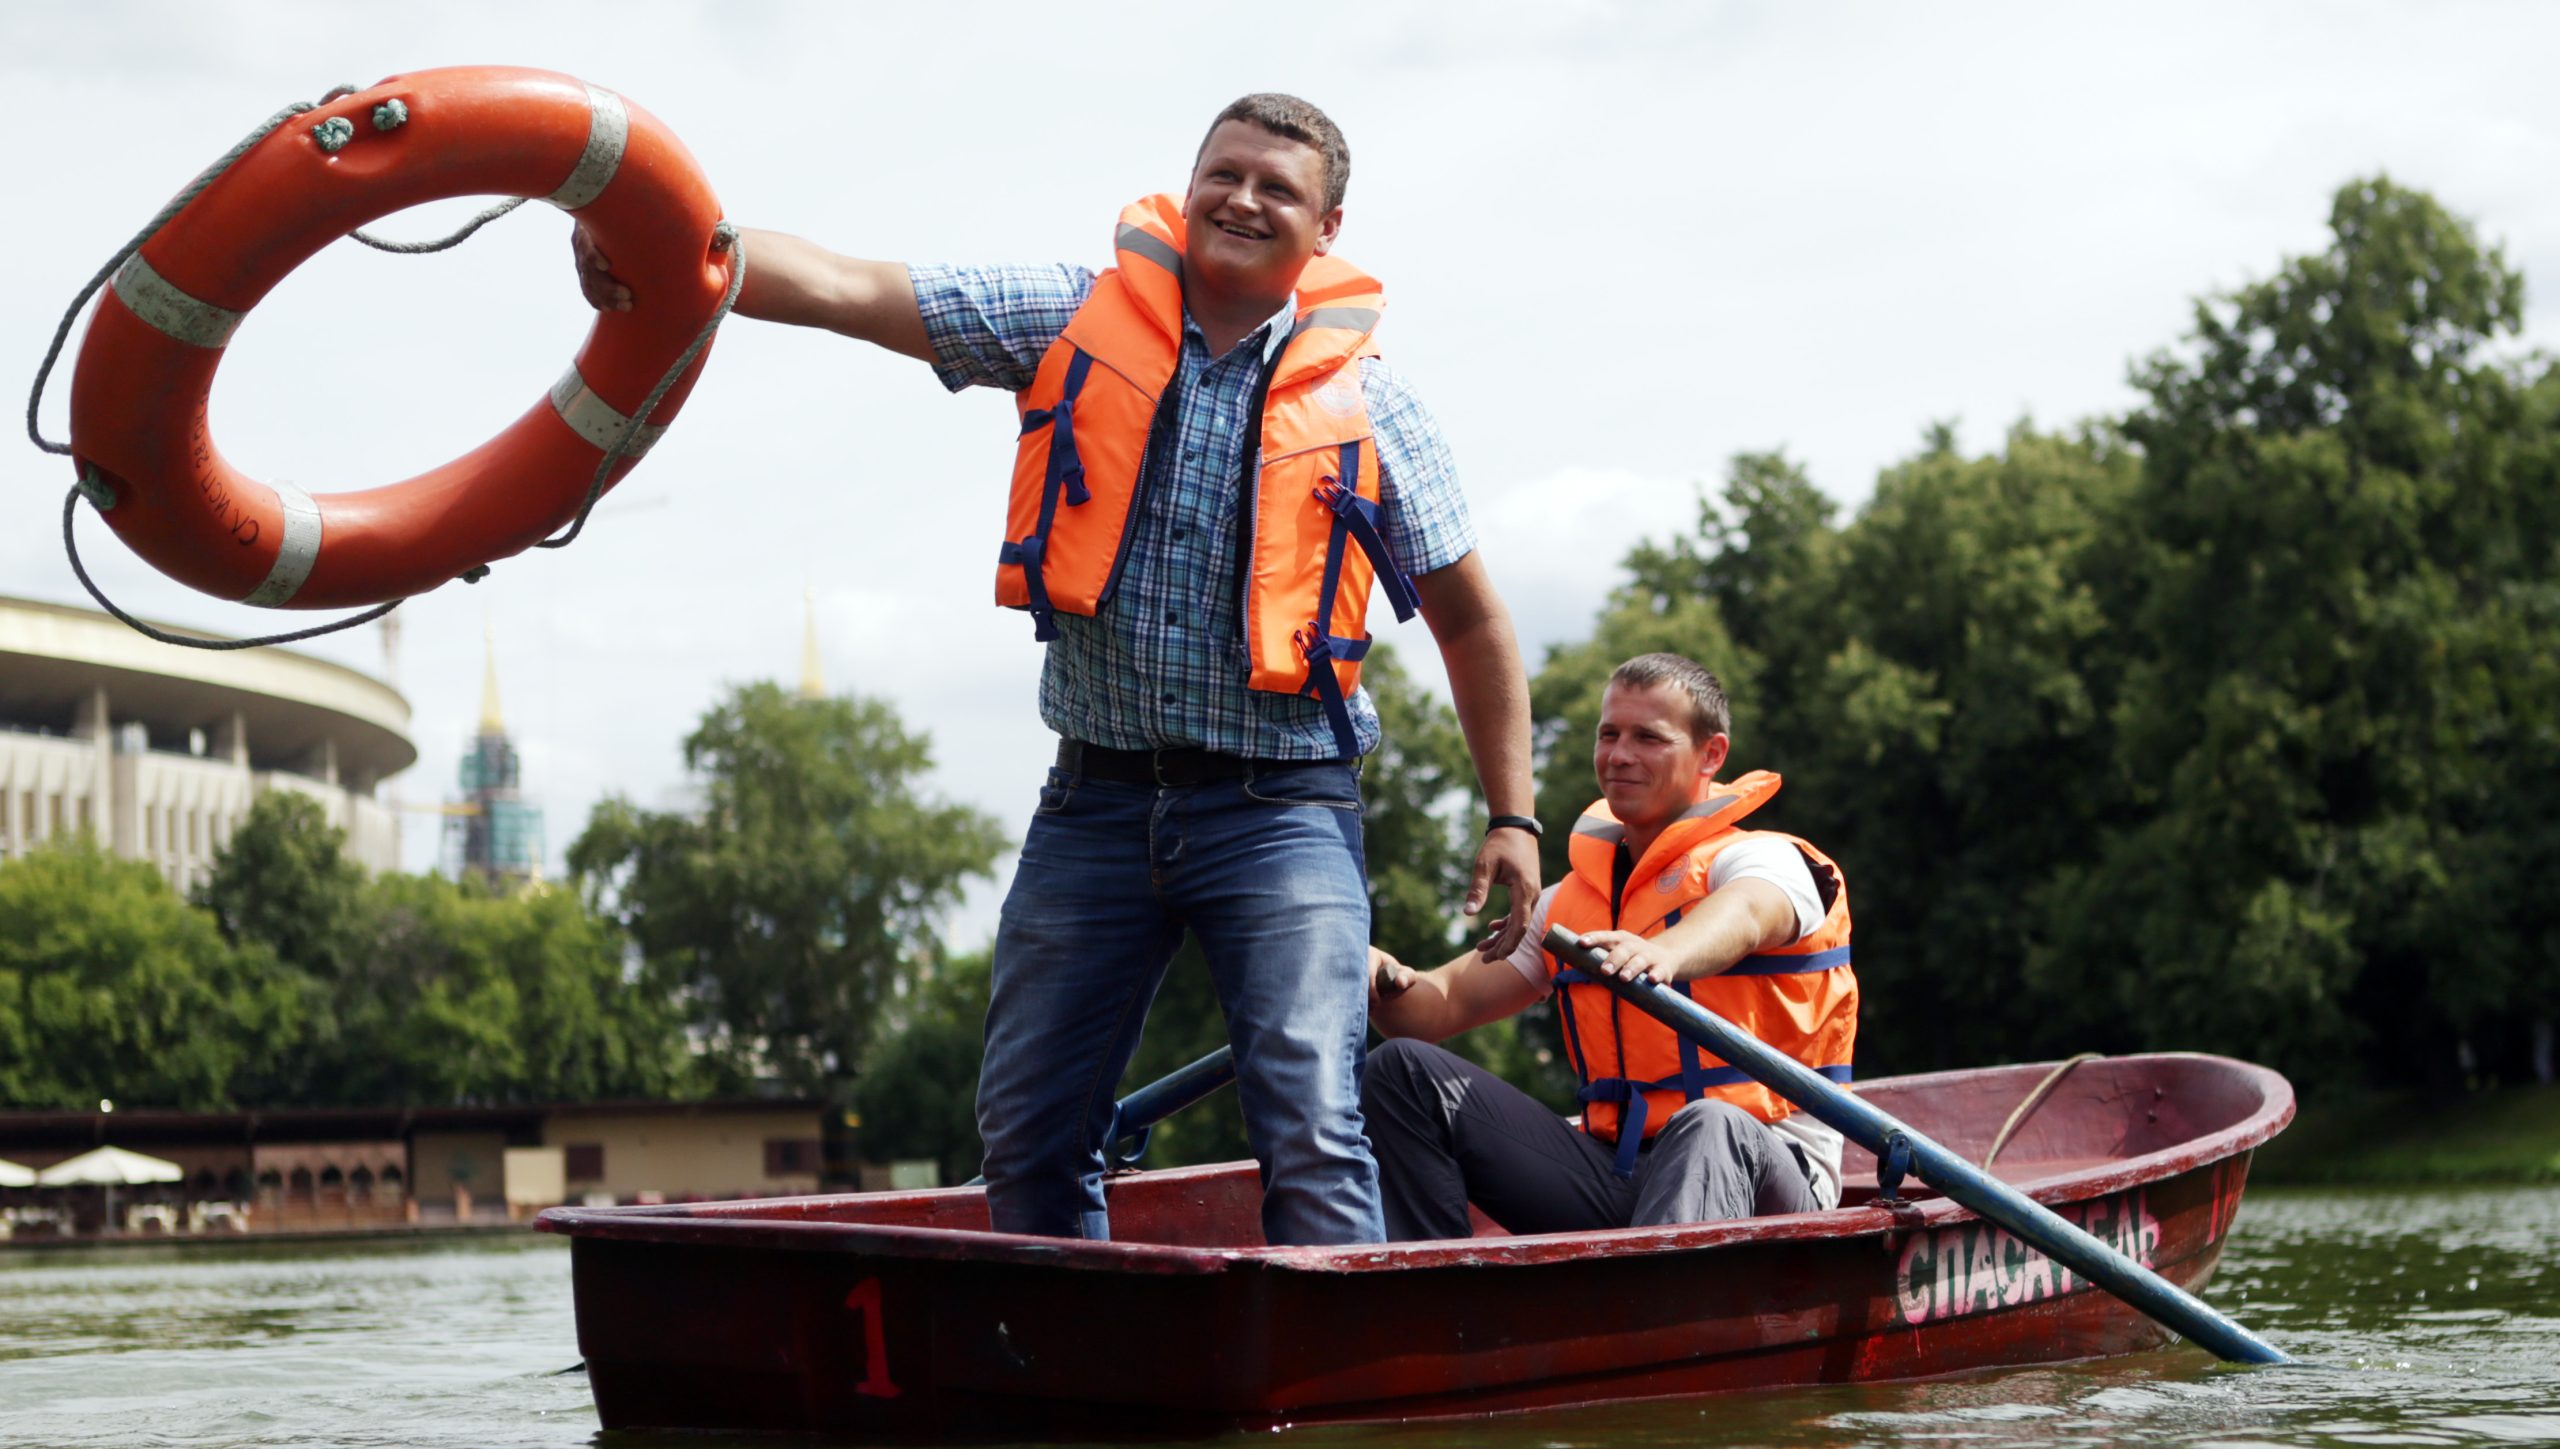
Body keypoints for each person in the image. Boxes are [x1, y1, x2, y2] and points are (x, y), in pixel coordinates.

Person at [574, 94, 1539, 1246]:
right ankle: (1068, 1361)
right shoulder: (1072, 316)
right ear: (1186, 189)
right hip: (1096, 798)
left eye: (1275, 188)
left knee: (1310, 1113)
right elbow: (853, 288)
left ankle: (1325, 1396)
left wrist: (1513, 817)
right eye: (1221, 174)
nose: (1240, 199)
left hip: (1281, 808)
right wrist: (679, 257)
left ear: (1325, 229)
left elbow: (1471, 623)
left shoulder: (1375, 403)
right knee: (1028, 1125)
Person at [1361, 653, 1858, 1241]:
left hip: (1765, 1173)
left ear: (1711, 755)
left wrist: (1666, 952)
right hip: (1617, 1176)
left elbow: (1749, 912)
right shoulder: (1566, 903)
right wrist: (1356, 962)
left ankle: (1650, 1325)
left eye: (1648, 737)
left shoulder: (1763, 858)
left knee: (1709, 1123)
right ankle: (1438, 1313)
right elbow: (1430, 1008)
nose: (1619, 755)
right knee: (1400, 1072)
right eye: (1609, 734)